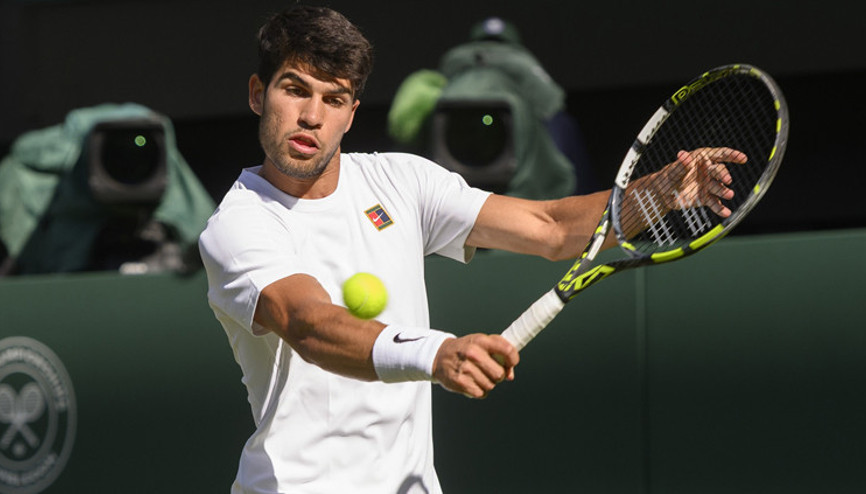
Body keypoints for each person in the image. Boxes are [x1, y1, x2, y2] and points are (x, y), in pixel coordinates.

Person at [198, 6, 742, 493]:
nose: (312, 116)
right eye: (295, 89)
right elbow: (311, 324)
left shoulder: (401, 181)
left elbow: (549, 227)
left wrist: (658, 193)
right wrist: (435, 354)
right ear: (256, 93)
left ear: (352, 113)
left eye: (333, 99)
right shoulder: (239, 225)